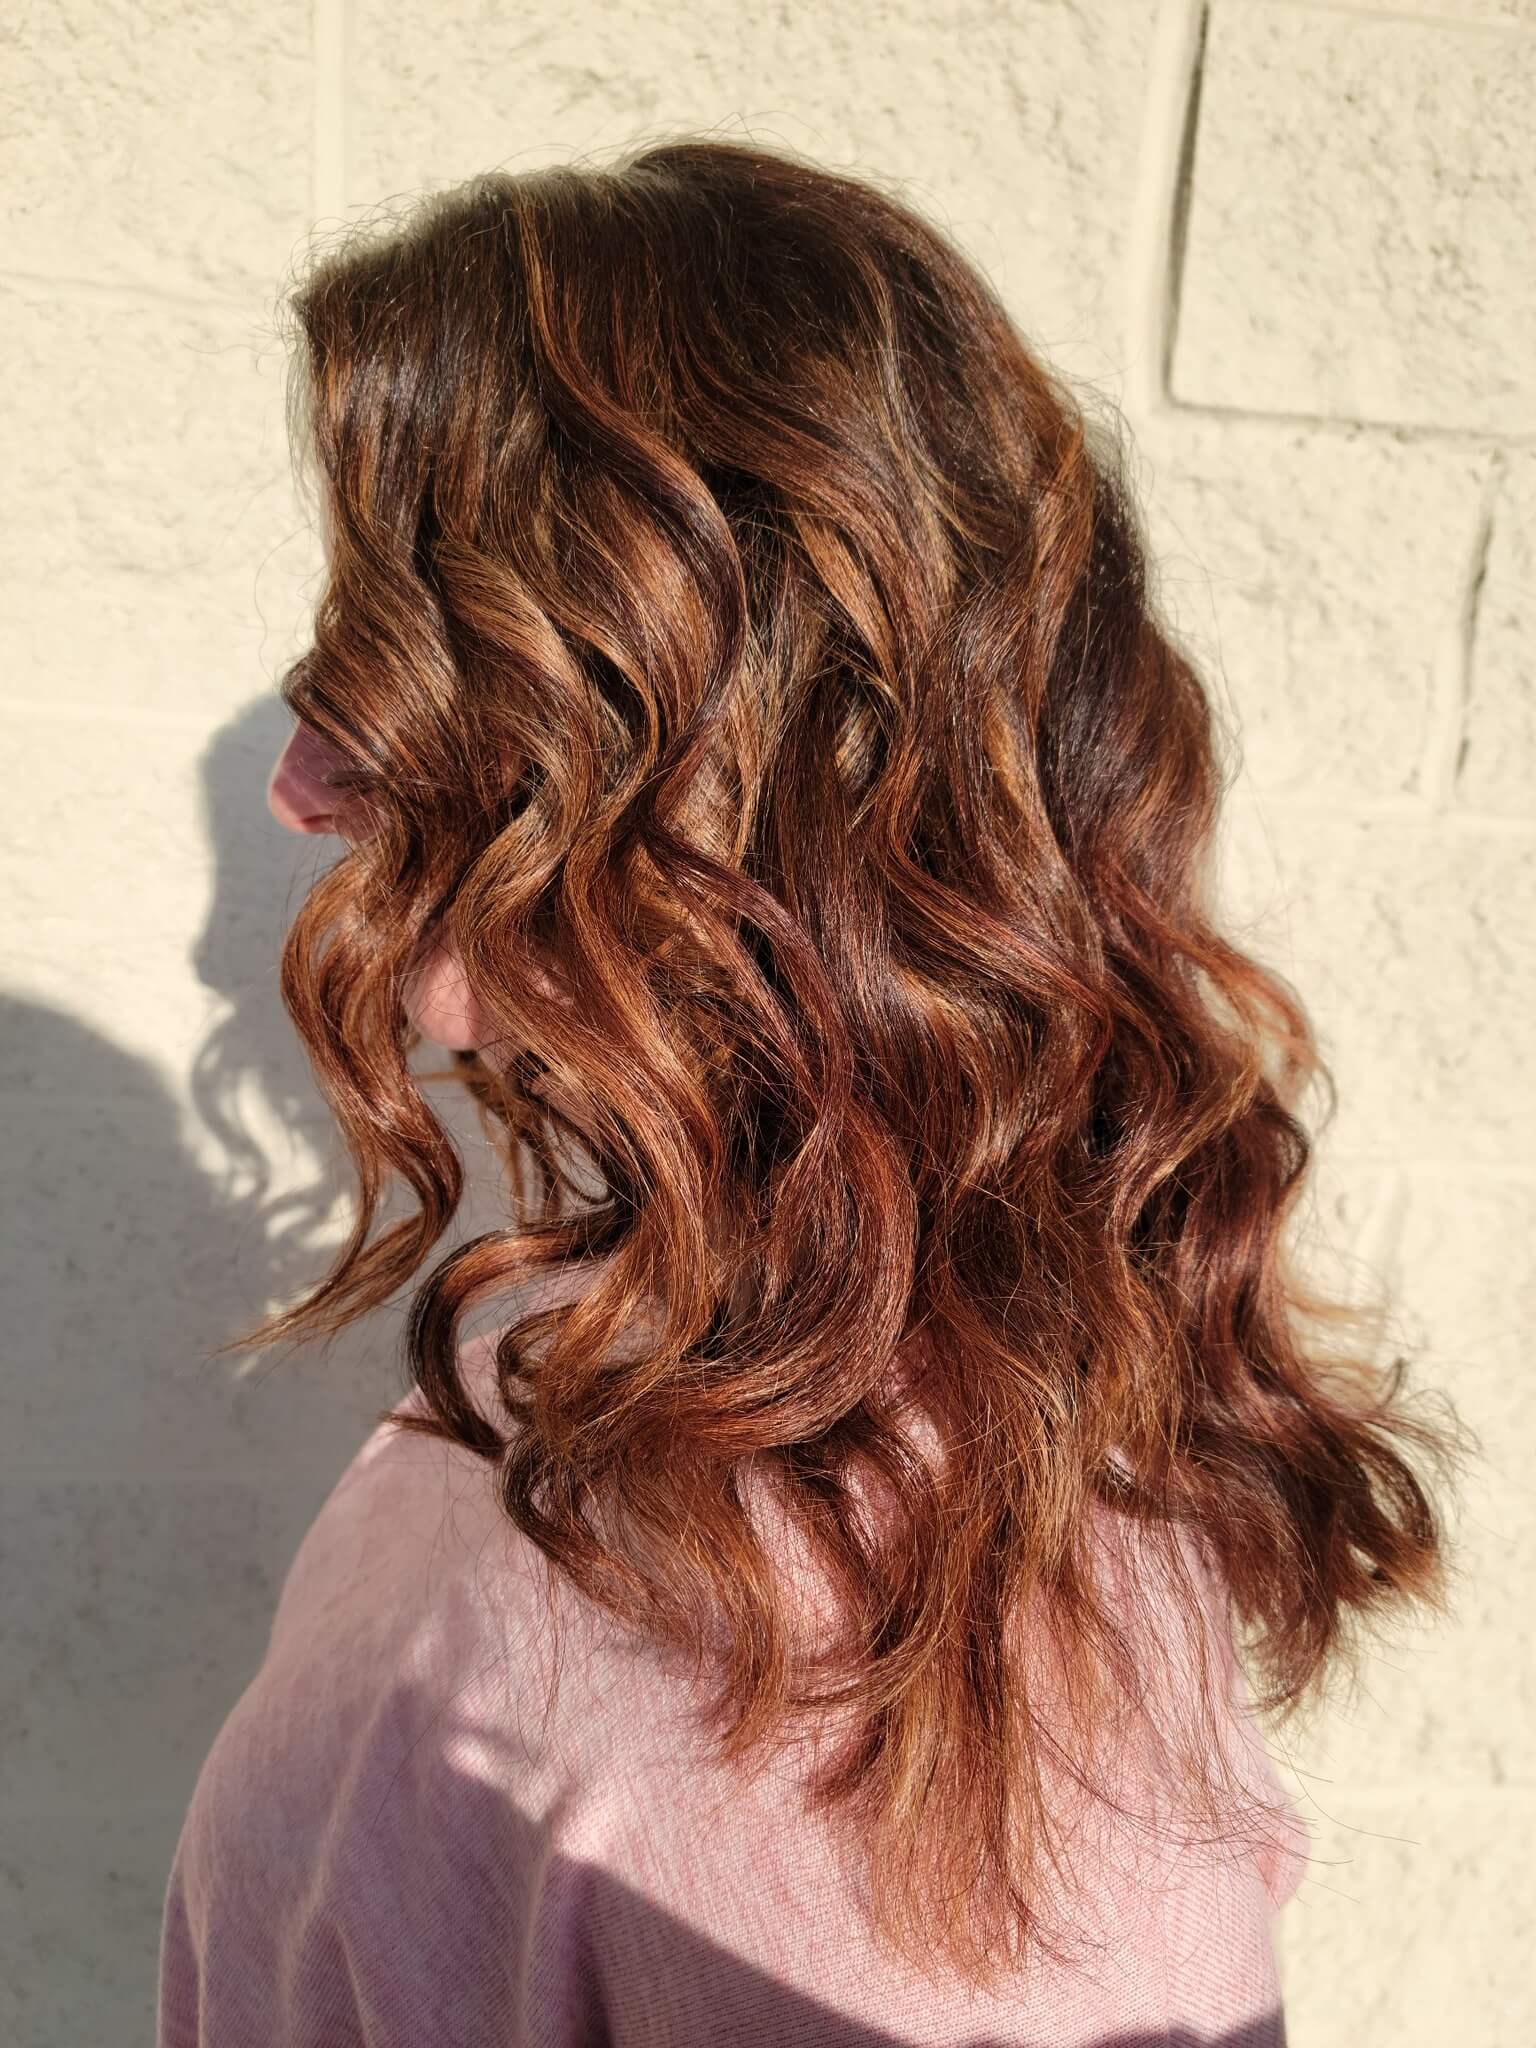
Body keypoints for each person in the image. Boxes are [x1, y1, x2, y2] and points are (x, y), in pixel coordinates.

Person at [157, 137, 1459, 2046]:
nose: (306, 784)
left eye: (412, 648)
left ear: (743, 747)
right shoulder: (611, 1327)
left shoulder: (980, 1764)